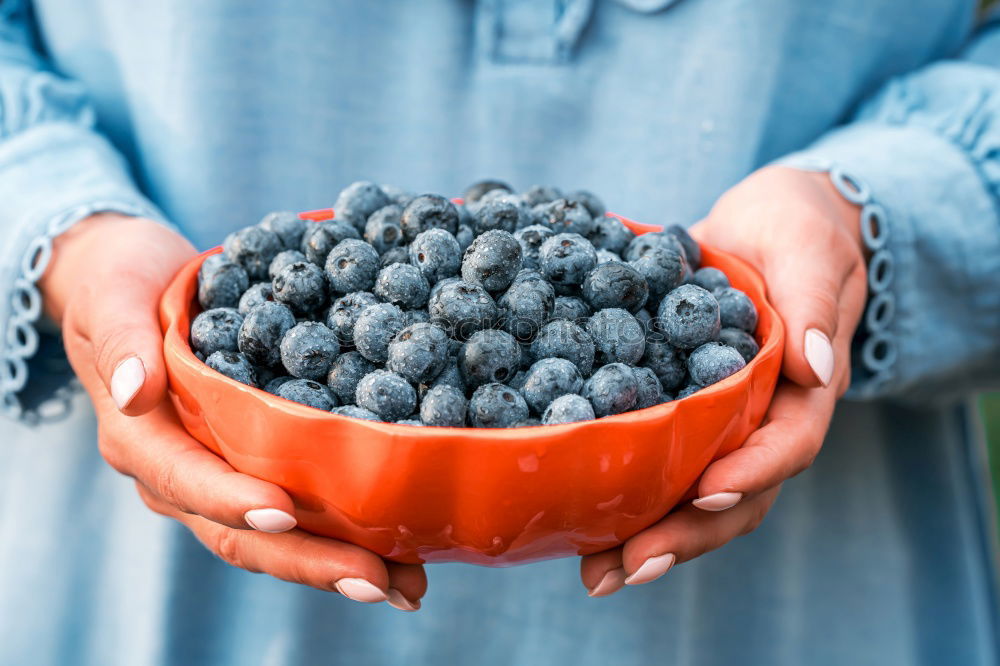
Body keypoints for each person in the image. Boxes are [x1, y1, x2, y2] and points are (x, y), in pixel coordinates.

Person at [1, 1, 998, 664]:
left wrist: (874, 210)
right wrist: (62, 228)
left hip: (808, 595)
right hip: (150, 590)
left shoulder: (618, 317)